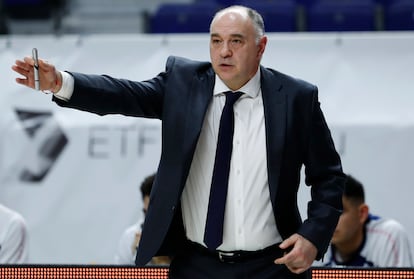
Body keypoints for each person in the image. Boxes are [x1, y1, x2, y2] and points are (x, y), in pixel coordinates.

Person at [12, 5, 345, 278]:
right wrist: (61, 84)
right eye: (216, 41)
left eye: (236, 41)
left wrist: (313, 235)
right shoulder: (185, 84)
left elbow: (328, 176)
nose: (224, 52)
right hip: (194, 264)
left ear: (261, 47)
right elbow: (125, 95)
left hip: (272, 265)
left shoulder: (296, 98)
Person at [319, 174, 413, 267]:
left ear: (362, 213)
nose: (329, 220)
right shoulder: (314, 242)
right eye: (324, 210)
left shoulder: (390, 235)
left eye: (339, 211)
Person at [115, 173, 171, 266]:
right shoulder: (130, 237)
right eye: (146, 213)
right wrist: (138, 256)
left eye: (155, 214)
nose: (149, 221)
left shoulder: (190, 236)